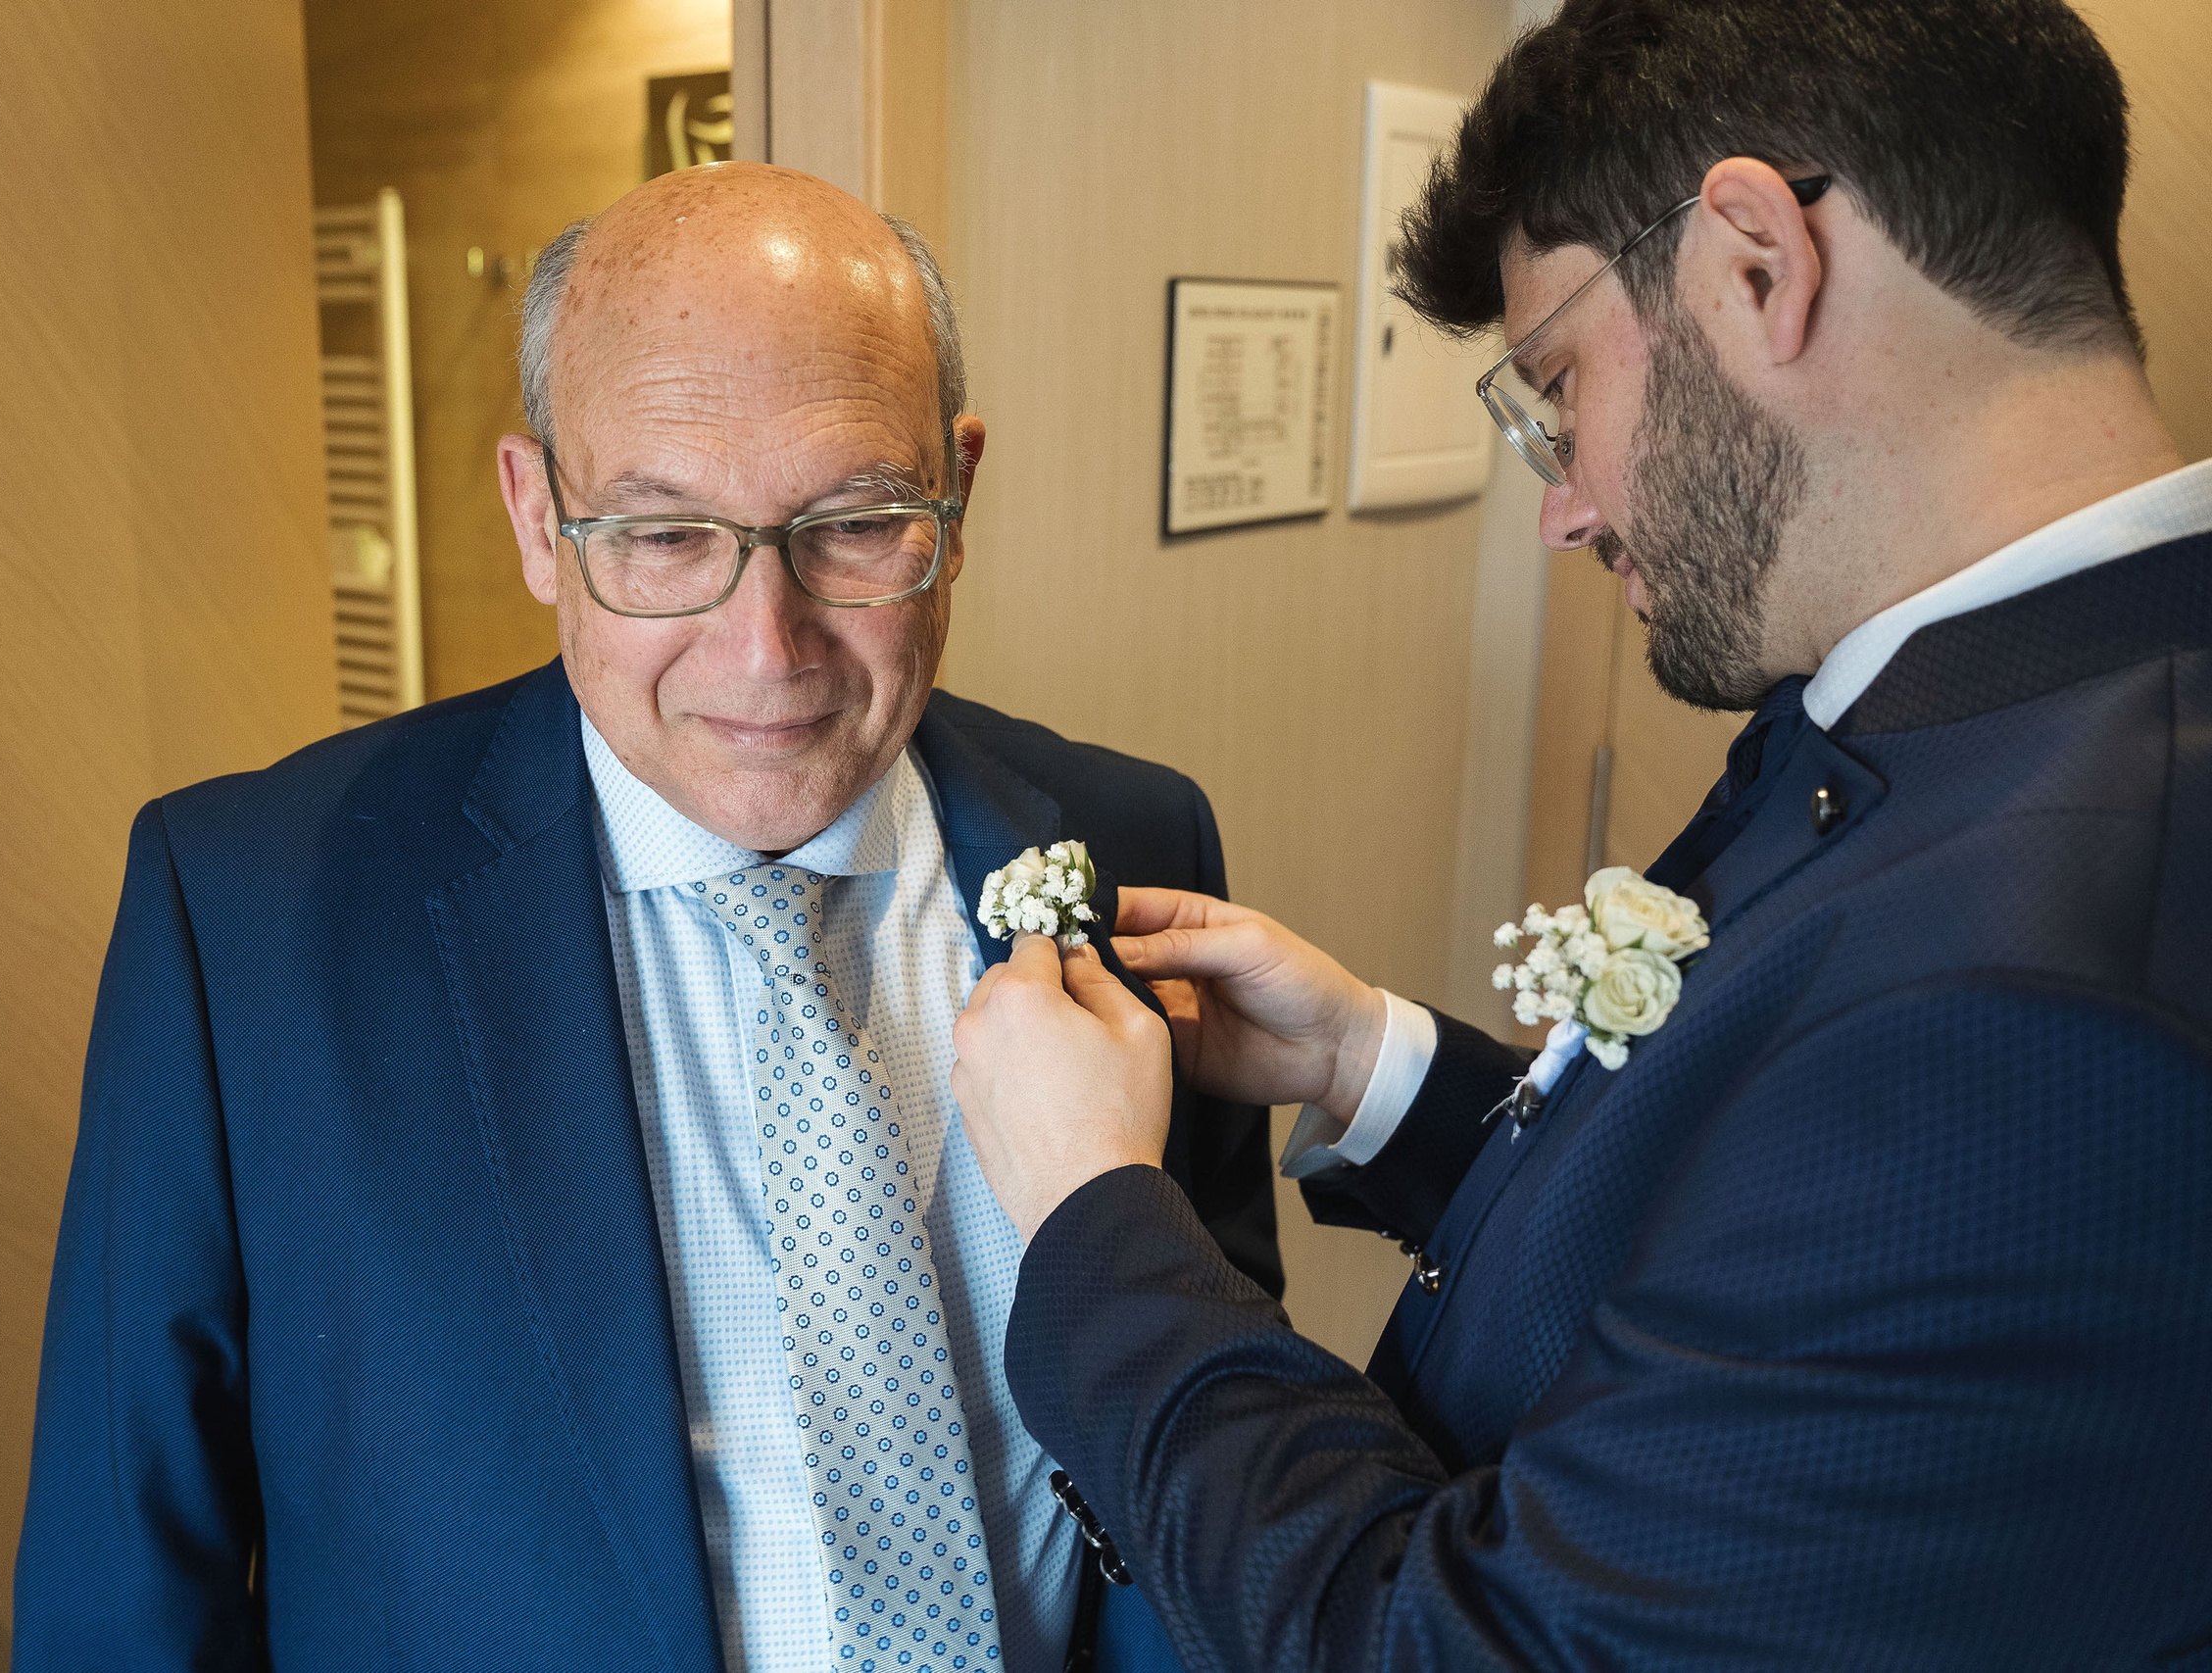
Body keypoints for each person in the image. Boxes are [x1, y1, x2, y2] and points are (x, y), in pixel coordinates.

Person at [948, 1, 2212, 1666]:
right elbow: (1760, 1254)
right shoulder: (1972, 698)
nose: (1563, 502)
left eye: (1556, 383)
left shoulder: (2048, 1001)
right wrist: (1379, 1075)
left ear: (1758, 261)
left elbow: (1461, 1648)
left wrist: (1090, 1219)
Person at [14, 162, 1277, 1672]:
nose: (766, 649)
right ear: (540, 520)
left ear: (958, 490)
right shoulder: (243, 921)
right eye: (666, 536)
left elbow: (1211, 1439)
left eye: (857, 522)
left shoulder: (1129, 837)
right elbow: (126, 1581)